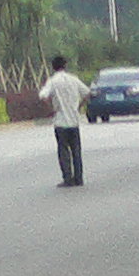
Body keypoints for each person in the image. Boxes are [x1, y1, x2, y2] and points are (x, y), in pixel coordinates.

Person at [41, 56, 87, 186]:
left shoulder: (53, 81)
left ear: (53, 67)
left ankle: (68, 178)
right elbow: (87, 93)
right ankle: (79, 178)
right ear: (65, 66)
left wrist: (52, 109)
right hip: (74, 120)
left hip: (60, 121)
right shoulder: (74, 79)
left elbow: (43, 96)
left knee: (63, 151)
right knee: (76, 151)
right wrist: (78, 106)